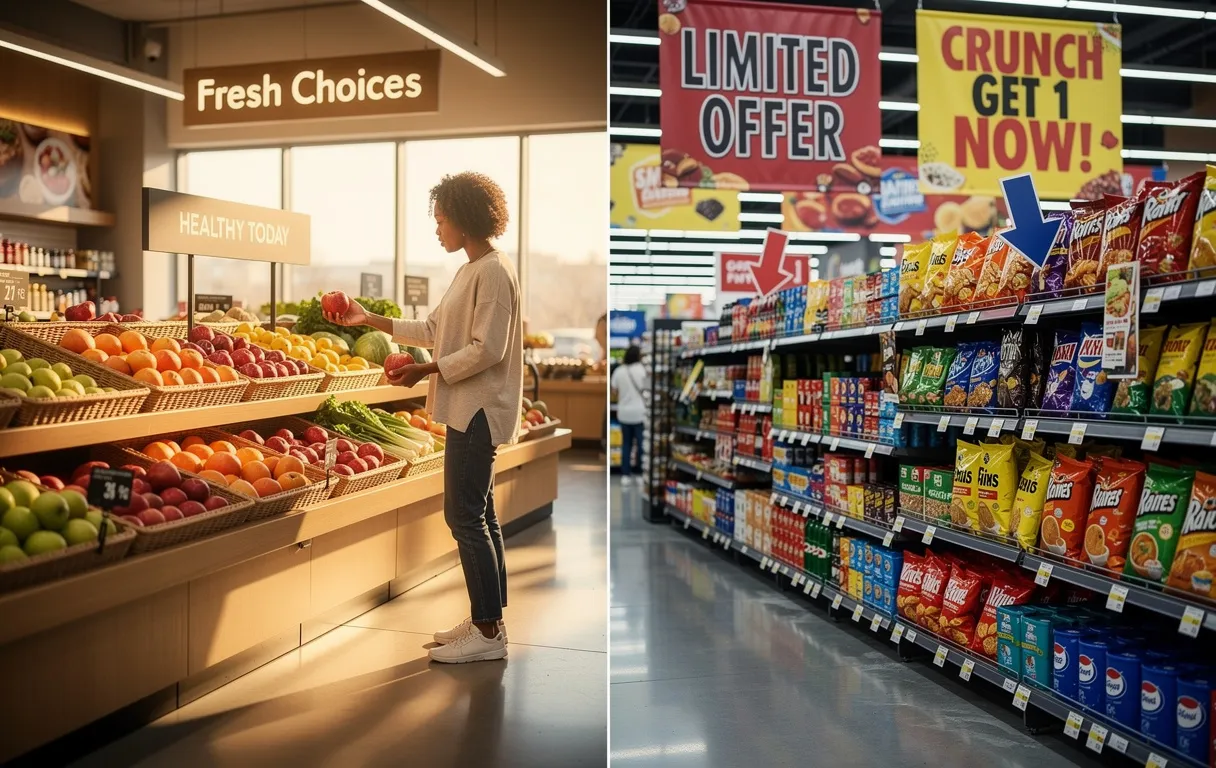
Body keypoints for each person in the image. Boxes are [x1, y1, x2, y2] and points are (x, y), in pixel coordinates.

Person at [324, 171, 521, 664]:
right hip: (466, 407)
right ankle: (487, 618)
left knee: (464, 516)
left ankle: (487, 632)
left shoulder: (493, 272)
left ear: (465, 219)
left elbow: (487, 350)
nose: (437, 229)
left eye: (441, 219)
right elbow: (435, 329)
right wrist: (368, 320)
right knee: (482, 514)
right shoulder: (471, 269)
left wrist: (423, 370)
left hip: (479, 409)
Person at [610, 344, 647, 485]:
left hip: (624, 413)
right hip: (639, 413)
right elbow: (646, 389)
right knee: (641, 444)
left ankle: (625, 474)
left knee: (626, 444)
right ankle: (639, 472)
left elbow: (614, 391)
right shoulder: (641, 370)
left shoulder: (619, 371)